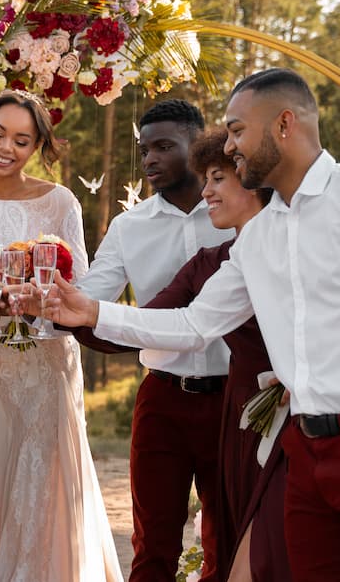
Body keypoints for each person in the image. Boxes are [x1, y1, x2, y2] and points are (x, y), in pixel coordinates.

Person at [42, 68, 340, 581]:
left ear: (284, 124)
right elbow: (196, 325)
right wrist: (93, 312)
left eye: (238, 130)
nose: (230, 146)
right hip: (308, 457)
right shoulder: (257, 238)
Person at [72, 127, 289, 580]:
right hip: (204, 407)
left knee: (242, 544)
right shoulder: (217, 263)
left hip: (267, 414)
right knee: (159, 541)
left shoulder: (294, 242)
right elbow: (173, 324)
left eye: (217, 178)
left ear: (250, 177)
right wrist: (71, 313)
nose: (208, 190)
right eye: (205, 179)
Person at [0, 90, 123, 581]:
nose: (6, 148)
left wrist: (42, 292)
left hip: (52, 355)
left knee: (50, 460)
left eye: (22, 140)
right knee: (6, 458)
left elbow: (79, 278)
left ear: (37, 146)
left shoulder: (60, 200)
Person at [75, 99, 233, 582]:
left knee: (227, 539)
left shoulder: (239, 214)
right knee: (153, 542)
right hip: (161, 400)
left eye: (165, 147)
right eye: (144, 150)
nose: (149, 160)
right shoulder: (129, 227)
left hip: (234, 400)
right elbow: (87, 303)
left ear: (200, 146)